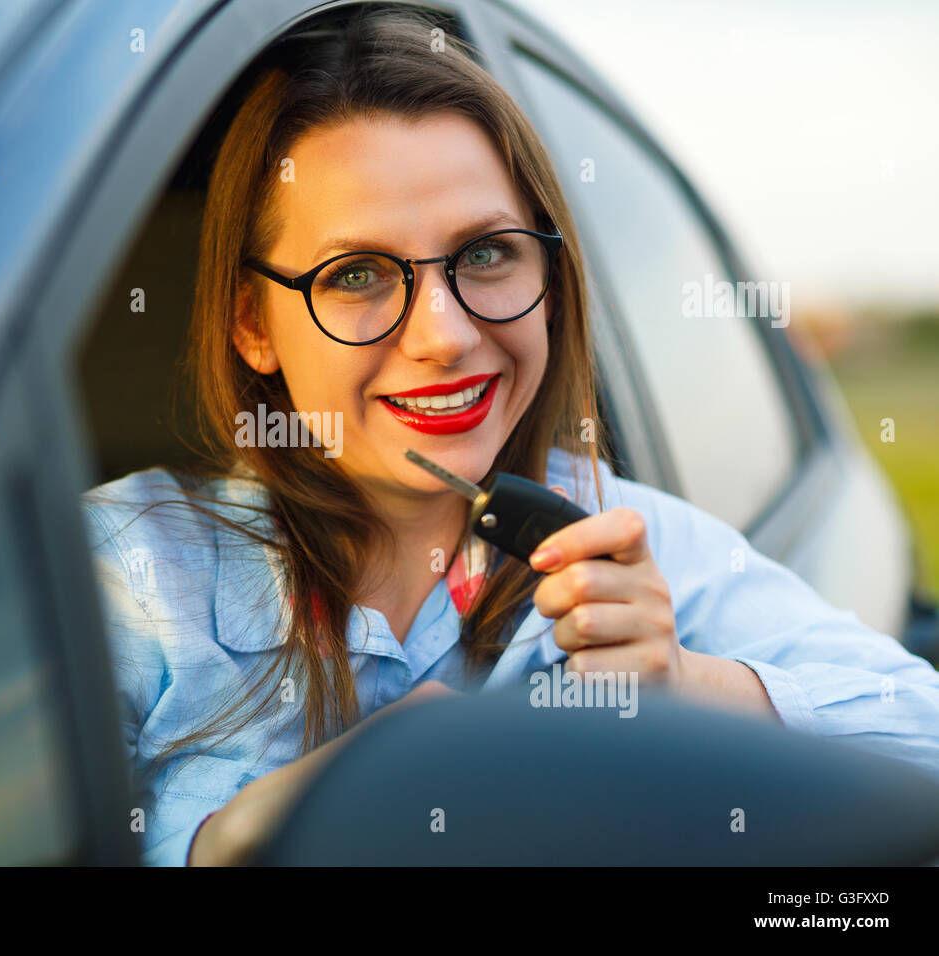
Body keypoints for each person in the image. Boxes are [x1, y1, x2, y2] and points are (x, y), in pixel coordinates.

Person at [80, 7, 939, 866]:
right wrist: (232, 838)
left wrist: (685, 680)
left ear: (552, 284)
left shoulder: (623, 544)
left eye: (487, 253)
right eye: (357, 274)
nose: (444, 336)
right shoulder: (116, 571)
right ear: (253, 326)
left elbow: (919, 734)